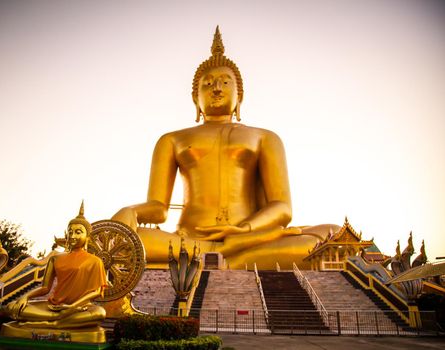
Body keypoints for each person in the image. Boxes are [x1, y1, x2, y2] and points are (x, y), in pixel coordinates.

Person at [112, 27, 331, 270]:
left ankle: (217, 256)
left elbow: (282, 207)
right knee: (128, 239)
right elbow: (158, 209)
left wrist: (242, 230)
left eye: (225, 82)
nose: (216, 88)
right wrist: (129, 211)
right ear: (196, 99)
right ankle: (221, 255)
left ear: (240, 97)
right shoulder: (172, 140)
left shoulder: (264, 137)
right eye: (208, 83)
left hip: (248, 239)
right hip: (187, 239)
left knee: (328, 234)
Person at [5, 201, 107, 328]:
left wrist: (72, 307)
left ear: (88, 237)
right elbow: (45, 288)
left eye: (78, 232)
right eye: (70, 232)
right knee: (12, 307)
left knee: (99, 313)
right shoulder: (55, 258)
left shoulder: (95, 261)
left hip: (81, 307)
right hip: (54, 306)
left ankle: (50, 323)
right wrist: (25, 297)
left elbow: (97, 291)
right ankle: (58, 322)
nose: (72, 235)